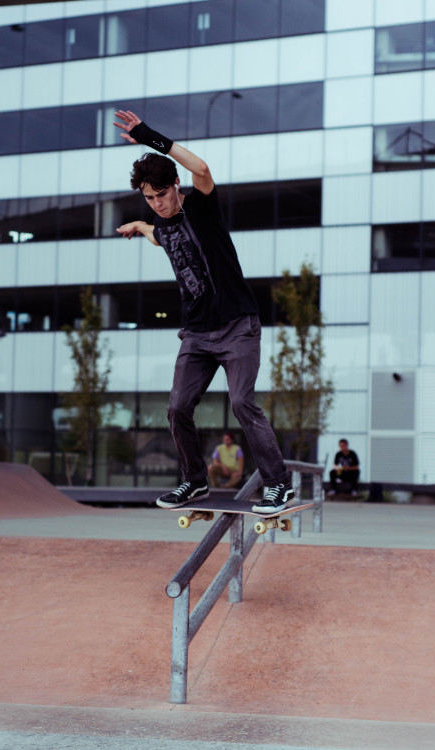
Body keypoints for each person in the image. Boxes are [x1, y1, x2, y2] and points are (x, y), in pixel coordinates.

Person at [113, 109, 294, 513]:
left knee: (242, 402)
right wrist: (139, 226)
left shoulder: (201, 207)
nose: (158, 204)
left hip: (237, 327)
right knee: (177, 407)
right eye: (149, 199)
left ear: (176, 186)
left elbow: (202, 166)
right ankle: (195, 481)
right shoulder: (160, 224)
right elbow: (158, 237)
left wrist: (148, 136)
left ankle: (278, 484)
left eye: (162, 195)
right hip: (196, 334)